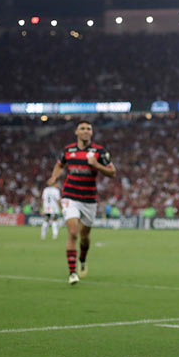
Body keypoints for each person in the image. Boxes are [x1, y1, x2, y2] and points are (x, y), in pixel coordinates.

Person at [47, 120, 116, 285]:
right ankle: (72, 273)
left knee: (85, 236)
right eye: (82, 128)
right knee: (73, 232)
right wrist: (54, 176)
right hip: (70, 196)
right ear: (76, 132)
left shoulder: (99, 152)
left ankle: (82, 259)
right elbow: (59, 165)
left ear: (91, 133)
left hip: (89, 200)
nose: (85, 131)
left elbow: (112, 173)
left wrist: (96, 165)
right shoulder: (68, 150)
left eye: (88, 129)